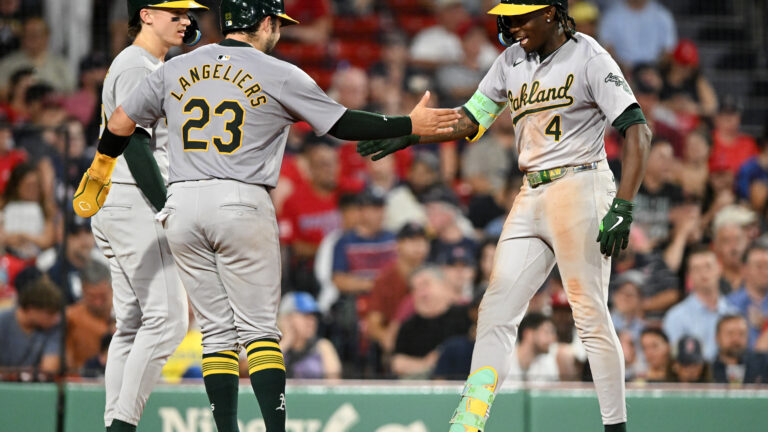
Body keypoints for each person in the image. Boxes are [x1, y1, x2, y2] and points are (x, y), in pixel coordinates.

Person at [73, 1, 460, 431]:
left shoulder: (174, 67)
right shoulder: (277, 70)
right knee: (259, 332)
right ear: (265, 22)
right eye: (276, 22)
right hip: (240, 199)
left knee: (215, 334)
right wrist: (407, 122)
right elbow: (342, 124)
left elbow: (122, 122)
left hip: (181, 203)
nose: (278, 31)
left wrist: (102, 164)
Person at [358, 1, 652, 430]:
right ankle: (470, 420)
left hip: (580, 182)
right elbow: (470, 118)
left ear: (552, 12)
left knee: (588, 314)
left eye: (521, 15)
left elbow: (637, 128)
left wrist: (624, 204)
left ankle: (616, 425)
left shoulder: (589, 56)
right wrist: (410, 131)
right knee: (495, 308)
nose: (510, 25)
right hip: (531, 189)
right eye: (508, 16)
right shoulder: (511, 59)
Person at [85, 2, 207, 431]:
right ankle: (123, 425)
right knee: (170, 321)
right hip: (136, 197)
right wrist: (166, 207)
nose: (186, 21)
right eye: (175, 13)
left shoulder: (145, 64)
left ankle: (113, 424)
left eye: (189, 15)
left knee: (133, 324)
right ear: (146, 14)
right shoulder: (138, 66)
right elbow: (134, 144)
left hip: (119, 200)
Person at [391, 266, 471, 379]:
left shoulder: (466, 316)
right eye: (415, 288)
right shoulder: (408, 326)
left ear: (444, 285)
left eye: (425, 285)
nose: (421, 293)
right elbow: (397, 363)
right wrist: (426, 363)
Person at [663, 246, 738, 361]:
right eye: (696, 269)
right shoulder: (676, 317)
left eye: (708, 266)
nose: (703, 273)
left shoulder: (734, 313)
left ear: (719, 269)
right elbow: (675, 359)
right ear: (689, 276)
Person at [0, 277, 63, 377]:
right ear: (31, 309)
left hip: (35, 389)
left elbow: (49, 369)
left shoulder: (53, 328)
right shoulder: (3, 322)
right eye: (50, 314)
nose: (56, 319)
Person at [278, 291, 341, 379]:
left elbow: (334, 386)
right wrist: (286, 341)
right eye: (305, 315)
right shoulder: (275, 346)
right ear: (287, 318)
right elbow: (261, 374)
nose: (311, 321)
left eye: (313, 316)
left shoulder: (322, 347)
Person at [597, 0, 677, 68]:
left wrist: (654, 71)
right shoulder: (611, 15)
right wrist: (622, 71)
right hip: (621, 72)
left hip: (654, 70)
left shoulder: (663, 15)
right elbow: (606, 49)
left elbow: (669, 51)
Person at [65, 260, 113, 372]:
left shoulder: (129, 313)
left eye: (102, 296)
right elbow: (68, 366)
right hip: (85, 382)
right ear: (82, 289)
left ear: (111, 287)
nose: (97, 303)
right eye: (91, 297)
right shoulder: (71, 318)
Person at [726, 243, 768, 349]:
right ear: (744, 270)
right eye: (759, 266)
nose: (765, 271)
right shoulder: (729, 304)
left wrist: (765, 324)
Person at [712, 314, 768, 385]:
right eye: (730, 333)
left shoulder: (763, 363)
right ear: (717, 337)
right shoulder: (707, 370)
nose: (736, 339)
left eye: (741, 334)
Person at [505, 312, 559, 382]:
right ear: (528, 334)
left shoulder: (548, 363)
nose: (553, 338)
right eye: (547, 332)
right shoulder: (503, 360)